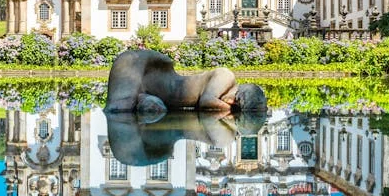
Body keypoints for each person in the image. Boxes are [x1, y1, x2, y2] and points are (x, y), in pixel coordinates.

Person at [104, 49, 267, 116]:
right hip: (144, 72)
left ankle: (144, 99)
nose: (231, 102)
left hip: (156, 91)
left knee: (155, 110)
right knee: (120, 109)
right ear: (240, 91)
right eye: (236, 100)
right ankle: (142, 98)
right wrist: (231, 110)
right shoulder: (225, 75)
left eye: (235, 104)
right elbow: (206, 102)